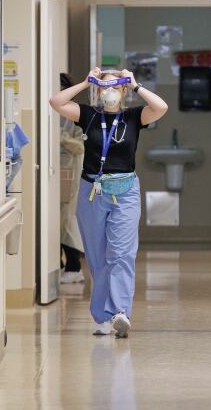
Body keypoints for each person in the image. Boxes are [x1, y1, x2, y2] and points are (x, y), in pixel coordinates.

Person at [49, 67, 168, 338]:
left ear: (123, 90)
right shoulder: (89, 115)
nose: (109, 92)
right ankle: (102, 317)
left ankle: (120, 312)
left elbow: (161, 106)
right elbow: (56, 102)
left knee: (122, 254)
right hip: (93, 190)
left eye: (115, 87)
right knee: (97, 257)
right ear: (97, 90)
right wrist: (84, 81)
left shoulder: (133, 117)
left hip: (125, 190)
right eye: (104, 87)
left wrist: (136, 85)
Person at [60, 117, 86, 284]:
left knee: (68, 221)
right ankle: (65, 265)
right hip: (61, 174)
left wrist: (62, 138)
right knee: (61, 222)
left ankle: (74, 267)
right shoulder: (58, 118)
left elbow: (80, 146)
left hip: (71, 175)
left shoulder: (76, 120)